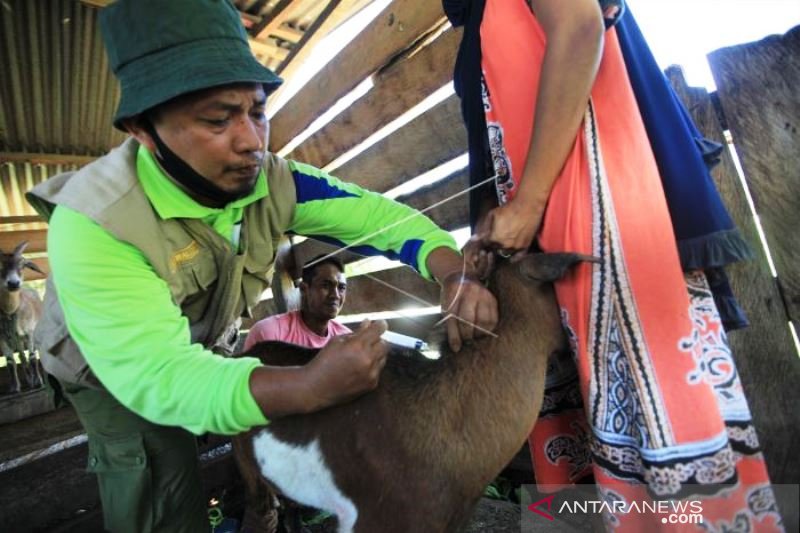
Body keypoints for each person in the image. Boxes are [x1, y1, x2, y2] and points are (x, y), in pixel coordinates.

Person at [24, 1, 498, 531]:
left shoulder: (274, 182)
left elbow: (385, 221)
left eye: (257, 111)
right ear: (142, 128)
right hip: (110, 371)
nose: (251, 140)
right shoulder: (96, 223)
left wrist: (452, 272)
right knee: (159, 473)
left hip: (200, 348)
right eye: (217, 118)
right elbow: (159, 376)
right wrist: (309, 388)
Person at [444, 0, 778, 531]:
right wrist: (485, 239)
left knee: (659, 421)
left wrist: (528, 203)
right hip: (541, 246)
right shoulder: (473, 19)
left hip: (607, 216)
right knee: (585, 444)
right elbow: (493, 135)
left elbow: (579, 29)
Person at [244, 255, 352, 351]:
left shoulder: (346, 340)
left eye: (341, 287)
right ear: (304, 289)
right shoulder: (269, 334)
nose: (336, 295)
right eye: (325, 285)